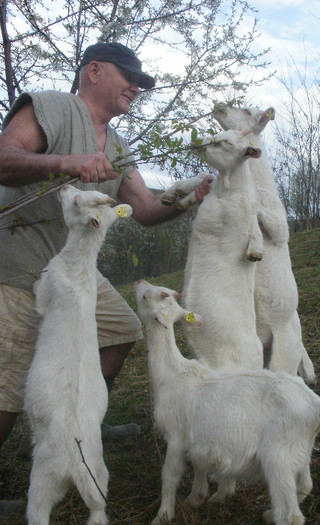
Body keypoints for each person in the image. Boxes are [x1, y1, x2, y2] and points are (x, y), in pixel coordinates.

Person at [0, 42, 212, 519]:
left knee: (123, 328)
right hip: (18, 265)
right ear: (94, 71)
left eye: (142, 82)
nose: (137, 87)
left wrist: (189, 198)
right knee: (8, 383)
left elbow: (144, 209)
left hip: (77, 271)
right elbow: (3, 155)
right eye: (129, 76)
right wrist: (65, 163)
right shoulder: (52, 106)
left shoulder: (117, 149)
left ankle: (84, 421)